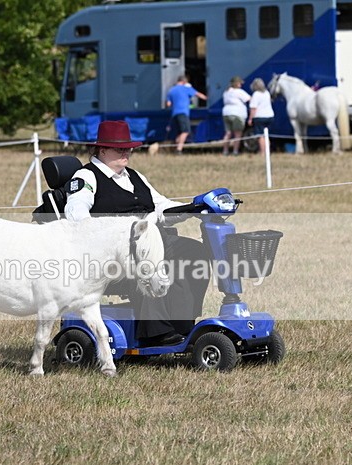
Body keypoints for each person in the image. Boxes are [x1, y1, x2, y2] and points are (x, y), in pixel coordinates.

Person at [65, 120, 211, 347]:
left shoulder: (134, 176)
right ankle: (156, 332)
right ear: (102, 150)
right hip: (113, 252)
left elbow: (160, 206)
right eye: (120, 148)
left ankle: (184, 326)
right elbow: (75, 212)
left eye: (128, 148)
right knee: (145, 257)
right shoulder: (86, 177)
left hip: (155, 238)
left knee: (195, 253)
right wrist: (112, 233)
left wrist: (193, 208)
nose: (126, 153)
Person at [165, 75, 207, 154]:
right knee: (186, 131)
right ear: (184, 82)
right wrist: (207, 98)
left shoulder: (171, 90)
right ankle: (179, 149)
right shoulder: (186, 88)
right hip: (183, 113)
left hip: (174, 114)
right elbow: (198, 94)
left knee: (180, 132)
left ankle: (175, 148)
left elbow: (168, 104)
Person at [221, 76, 250, 156]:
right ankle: (235, 151)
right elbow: (249, 99)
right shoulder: (239, 92)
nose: (241, 84)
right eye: (240, 83)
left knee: (228, 133)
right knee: (238, 134)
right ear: (236, 84)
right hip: (237, 114)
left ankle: (225, 151)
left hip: (226, 113)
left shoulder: (226, 92)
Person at [248, 78, 275, 155]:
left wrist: (250, 119)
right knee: (266, 135)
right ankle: (268, 152)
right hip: (270, 116)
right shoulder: (267, 93)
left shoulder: (256, 94)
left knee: (260, 136)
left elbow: (253, 108)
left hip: (260, 117)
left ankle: (262, 152)